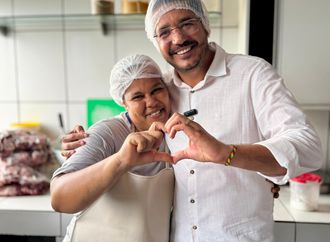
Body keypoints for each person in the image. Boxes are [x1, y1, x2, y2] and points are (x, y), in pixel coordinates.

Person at [61, 0, 322, 241]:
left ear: (204, 24)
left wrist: (226, 153)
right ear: (156, 41)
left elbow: (308, 146)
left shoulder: (252, 75)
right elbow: (130, 121)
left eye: (187, 23)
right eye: (164, 32)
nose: (178, 38)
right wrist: (84, 142)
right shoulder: (162, 91)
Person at [51, 54, 175, 242]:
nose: (151, 102)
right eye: (138, 97)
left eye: (157, 90)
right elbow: (60, 198)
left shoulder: (176, 129)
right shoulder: (107, 133)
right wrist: (121, 161)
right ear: (123, 102)